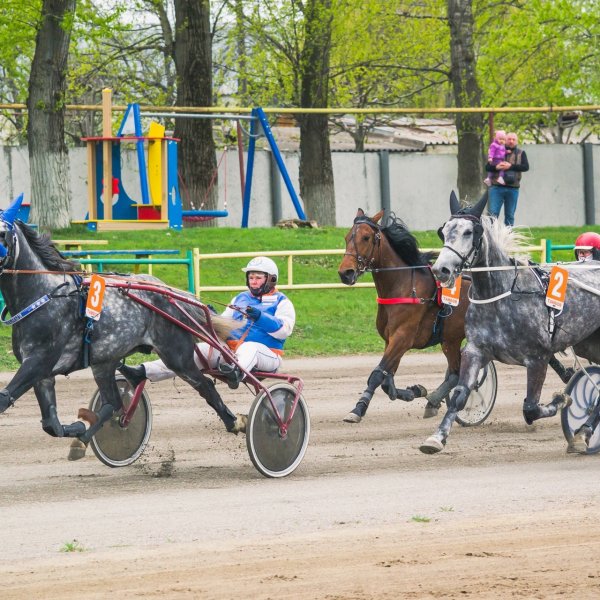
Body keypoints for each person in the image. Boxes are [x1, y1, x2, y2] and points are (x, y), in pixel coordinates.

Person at [119, 256, 296, 389]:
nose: (254, 282)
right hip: (232, 352)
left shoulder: (282, 302)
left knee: (250, 348)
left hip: (267, 355)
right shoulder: (240, 298)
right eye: (251, 278)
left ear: (271, 279)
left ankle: (236, 373)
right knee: (194, 351)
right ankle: (142, 371)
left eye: (258, 278)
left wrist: (261, 317)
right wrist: (212, 316)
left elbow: (283, 331)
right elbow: (225, 322)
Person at [486, 131, 529, 227]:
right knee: (493, 215)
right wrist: (496, 168)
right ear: (505, 140)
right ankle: (491, 237)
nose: (511, 141)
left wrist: (510, 166)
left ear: (517, 141)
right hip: (496, 188)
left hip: (513, 189)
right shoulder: (496, 150)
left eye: (513, 139)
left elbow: (526, 167)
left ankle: (508, 238)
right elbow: (487, 168)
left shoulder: (521, 153)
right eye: (509, 139)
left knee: (510, 215)